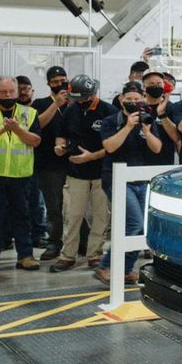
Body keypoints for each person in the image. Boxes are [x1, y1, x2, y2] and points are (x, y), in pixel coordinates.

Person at [92, 82, 162, 286]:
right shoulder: (110, 121)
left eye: (137, 99)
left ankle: (124, 269)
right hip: (116, 179)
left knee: (141, 227)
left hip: (140, 179)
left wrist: (147, 131)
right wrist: (128, 126)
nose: (133, 103)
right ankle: (106, 266)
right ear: (121, 99)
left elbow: (157, 148)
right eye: (129, 99)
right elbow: (109, 147)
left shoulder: (148, 120)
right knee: (134, 223)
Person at [0, 76, 42, 273]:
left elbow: (36, 140)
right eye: (3, 92)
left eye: (11, 92)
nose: (8, 95)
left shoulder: (29, 113)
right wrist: (1, 130)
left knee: (22, 216)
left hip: (20, 176)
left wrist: (17, 129)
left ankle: (26, 256)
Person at [50, 75, 116, 272]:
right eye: (75, 99)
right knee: (72, 215)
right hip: (75, 173)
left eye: (81, 99)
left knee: (100, 216)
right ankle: (67, 256)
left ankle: (95, 255)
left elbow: (115, 146)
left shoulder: (109, 111)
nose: (78, 102)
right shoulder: (71, 110)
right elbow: (61, 135)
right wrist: (59, 146)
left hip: (102, 173)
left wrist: (91, 157)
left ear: (92, 93)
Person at [33, 66, 70, 261]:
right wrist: (55, 104)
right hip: (48, 164)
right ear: (48, 84)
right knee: (54, 206)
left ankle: (79, 241)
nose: (59, 84)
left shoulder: (75, 102)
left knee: (75, 206)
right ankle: (54, 242)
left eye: (62, 80)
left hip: (74, 163)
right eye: (55, 81)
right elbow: (37, 124)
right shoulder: (40, 103)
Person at [15, 75, 47, 248]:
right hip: (10, 165)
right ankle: (8, 236)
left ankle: (38, 234)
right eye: (18, 89)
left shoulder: (39, 108)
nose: (22, 92)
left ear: (32, 90)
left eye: (25, 88)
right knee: (11, 204)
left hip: (35, 162)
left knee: (36, 201)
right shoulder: (7, 111)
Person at [141, 71, 180, 165]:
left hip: (164, 162)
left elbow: (177, 137)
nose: (156, 86)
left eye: (159, 84)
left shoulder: (171, 107)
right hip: (139, 161)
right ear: (144, 87)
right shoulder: (138, 107)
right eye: (152, 84)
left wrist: (162, 115)